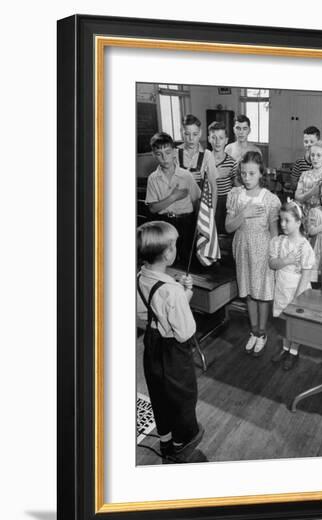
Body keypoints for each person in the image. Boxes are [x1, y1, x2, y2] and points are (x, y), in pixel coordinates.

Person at [136, 221, 204, 459]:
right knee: (182, 397)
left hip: (152, 346)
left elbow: (146, 312)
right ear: (167, 253)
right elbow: (185, 332)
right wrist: (185, 295)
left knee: (159, 393)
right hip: (173, 353)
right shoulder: (171, 290)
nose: (176, 248)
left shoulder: (140, 277)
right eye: (174, 245)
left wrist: (181, 293)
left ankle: (165, 440)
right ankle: (181, 444)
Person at [225, 151, 280, 356]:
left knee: (262, 292)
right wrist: (244, 213)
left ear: (260, 174)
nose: (247, 178)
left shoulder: (270, 199)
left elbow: (274, 231)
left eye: (252, 173)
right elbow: (229, 227)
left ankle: (262, 332)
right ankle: (253, 331)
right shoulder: (235, 195)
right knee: (248, 290)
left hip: (262, 248)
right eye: (244, 173)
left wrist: (274, 255)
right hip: (242, 247)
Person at [269, 201, 315, 370]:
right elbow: (273, 264)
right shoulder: (279, 242)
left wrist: (298, 298)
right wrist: (286, 260)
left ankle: (294, 352)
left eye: (287, 220)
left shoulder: (305, 247)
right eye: (281, 220)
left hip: (297, 290)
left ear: (298, 222)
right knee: (283, 321)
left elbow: (306, 274)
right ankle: (285, 348)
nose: (282, 224)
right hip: (282, 287)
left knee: (295, 323)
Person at [145, 132, 201, 266]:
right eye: (159, 154)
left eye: (168, 152)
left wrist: (199, 225)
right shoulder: (153, 178)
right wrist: (174, 197)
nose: (164, 158)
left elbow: (197, 200)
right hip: (165, 224)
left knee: (188, 260)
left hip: (186, 223)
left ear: (175, 152)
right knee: (168, 260)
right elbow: (153, 208)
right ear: (153, 155)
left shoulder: (186, 175)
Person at [176, 114, 218, 209]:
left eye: (195, 134)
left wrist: (212, 215)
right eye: (187, 134)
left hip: (200, 209)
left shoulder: (207, 155)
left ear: (200, 133)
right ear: (182, 133)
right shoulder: (175, 154)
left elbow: (214, 188)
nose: (191, 138)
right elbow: (168, 185)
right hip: (179, 208)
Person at [208, 120, 238, 234]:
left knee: (225, 232)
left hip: (226, 201)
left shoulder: (232, 162)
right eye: (214, 137)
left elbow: (236, 185)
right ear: (209, 138)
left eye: (221, 138)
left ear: (226, 140)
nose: (217, 141)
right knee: (210, 232)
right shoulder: (204, 160)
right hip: (209, 200)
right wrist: (215, 173)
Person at [294, 141, 322, 227]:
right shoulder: (304, 175)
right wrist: (312, 192)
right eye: (312, 155)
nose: (315, 158)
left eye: (318, 155)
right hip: (305, 219)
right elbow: (297, 197)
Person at [289, 126, 321, 190]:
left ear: (318, 142)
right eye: (306, 142)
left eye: (312, 142)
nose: (308, 144)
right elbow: (293, 184)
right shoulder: (299, 163)